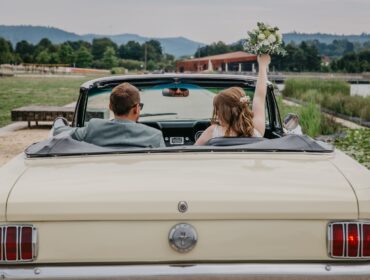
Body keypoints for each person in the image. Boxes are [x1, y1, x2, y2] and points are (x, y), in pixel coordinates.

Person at [53, 82, 165, 148]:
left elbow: (59, 132)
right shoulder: (154, 136)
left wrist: (59, 121)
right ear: (136, 108)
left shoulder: (93, 128)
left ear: (110, 107)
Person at [195, 54, 271, 145]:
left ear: (221, 112)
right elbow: (259, 98)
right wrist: (262, 65)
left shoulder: (212, 132)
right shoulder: (256, 131)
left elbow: (193, 153)